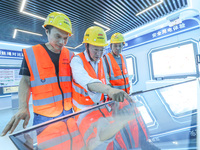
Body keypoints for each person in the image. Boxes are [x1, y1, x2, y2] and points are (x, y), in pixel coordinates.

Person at [1, 12, 74, 136]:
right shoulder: (32, 54)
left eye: (66, 38)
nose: (62, 42)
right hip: (44, 116)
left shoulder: (71, 56)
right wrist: (23, 107)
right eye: (58, 36)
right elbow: (25, 81)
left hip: (68, 112)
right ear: (47, 31)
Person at [70, 26, 133, 112]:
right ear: (86, 46)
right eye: (96, 49)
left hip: (102, 107)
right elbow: (88, 82)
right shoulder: (77, 61)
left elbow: (105, 81)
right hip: (83, 111)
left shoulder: (101, 60)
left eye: (102, 50)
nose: (99, 54)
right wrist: (110, 90)